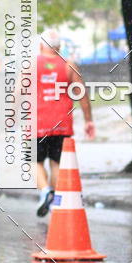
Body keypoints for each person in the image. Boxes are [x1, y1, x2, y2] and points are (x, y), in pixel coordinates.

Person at [36, 30, 95, 215]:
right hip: (61, 123)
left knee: (33, 161)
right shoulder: (69, 65)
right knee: (56, 162)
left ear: (41, 46)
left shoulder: (30, 65)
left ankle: (45, 191)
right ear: (59, 47)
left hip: (37, 123)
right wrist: (88, 120)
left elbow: (19, 92)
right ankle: (53, 199)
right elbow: (82, 94)